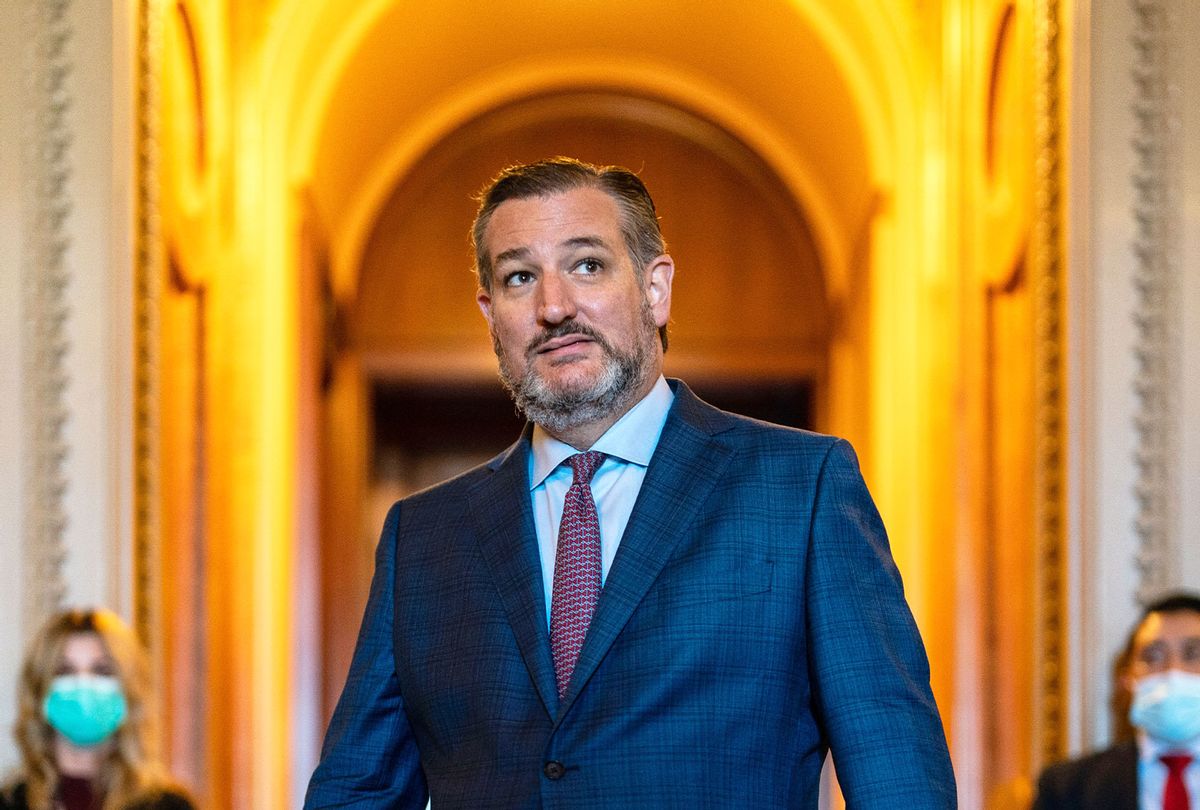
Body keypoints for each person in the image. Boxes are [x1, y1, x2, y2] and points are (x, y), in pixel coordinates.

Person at [304, 157, 956, 808]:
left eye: (587, 265)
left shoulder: (802, 488)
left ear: (655, 288)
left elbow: (897, 779)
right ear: (490, 313)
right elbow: (356, 792)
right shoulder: (424, 536)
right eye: (519, 277)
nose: (553, 306)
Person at [0, 609, 195, 810]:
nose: (84, 686)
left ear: (129, 690)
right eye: (65, 671)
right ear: (39, 691)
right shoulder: (10, 803)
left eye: (102, 671)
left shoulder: (167, 806)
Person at [1032, 591, 1200, 810]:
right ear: (1127, 680)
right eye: (1153, 657)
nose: (1173, 672)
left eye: (1194, 654)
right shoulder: (1067, 787)